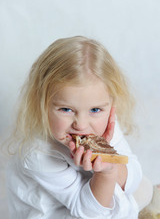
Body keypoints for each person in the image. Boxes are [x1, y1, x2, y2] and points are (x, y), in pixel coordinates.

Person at [6, 36, 149, 219]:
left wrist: (109, 166)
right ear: (42, 103)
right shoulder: (38, 152)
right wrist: (106, 175)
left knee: (141, 187)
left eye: (95, 110)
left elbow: (133, 172)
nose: (81, 125)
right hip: (55, 212)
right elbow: (86, 212)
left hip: (93, 195)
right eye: (66, 109)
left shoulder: (103, 123)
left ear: (110, 104)